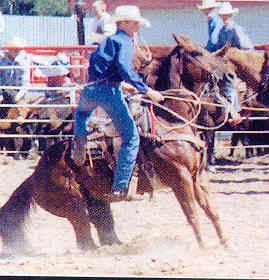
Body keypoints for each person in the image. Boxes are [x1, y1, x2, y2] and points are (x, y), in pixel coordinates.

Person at [72, 5, 164, 202]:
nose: (138, 26)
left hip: (91, 88)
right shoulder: (124, 41)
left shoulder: (107, 41)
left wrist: (121, 84)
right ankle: (120, 187)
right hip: (109, 92)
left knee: (81, 115)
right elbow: (124, 67)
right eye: (135, 22)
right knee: (131, 138)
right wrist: (146, 90)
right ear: (124, 23)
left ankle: (79, 139)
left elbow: (99, 66)